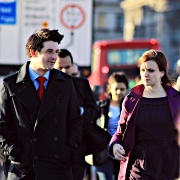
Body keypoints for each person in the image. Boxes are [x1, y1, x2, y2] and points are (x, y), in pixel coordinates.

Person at [0, 28, 83, 180]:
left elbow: (75, 120)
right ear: (33, 52)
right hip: (23, 168)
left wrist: (68, 150)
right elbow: (2, 124)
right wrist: (15, 153)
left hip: (58, 166)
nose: (54, 57)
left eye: (56, 52)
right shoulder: (10, 84)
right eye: (49, 51)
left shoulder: (65, 82)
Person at [109, 49, 180, 180]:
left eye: (151, 71)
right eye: (143, 70)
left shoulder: (176, 99)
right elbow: (120, 133)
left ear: (162, 73)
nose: (145, 74)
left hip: (169, 168)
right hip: (139, 169)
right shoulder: (131, 100)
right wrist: (115, 145)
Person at [54, 49, 100, 180]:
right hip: (53, 149)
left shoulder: (81, 84)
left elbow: (94, 111)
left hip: (77, 148)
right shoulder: (45, 87)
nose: (64, 71)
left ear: (72, 66)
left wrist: (81, 111)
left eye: (67, 67)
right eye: (60, 67)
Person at [95, 72, 129, 180]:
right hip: (104, 152)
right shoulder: (100, 106)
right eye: (116, 89)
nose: (119, 92)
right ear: (109, 89)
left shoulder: (130, 107)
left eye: (122, 89)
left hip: (123, 151)